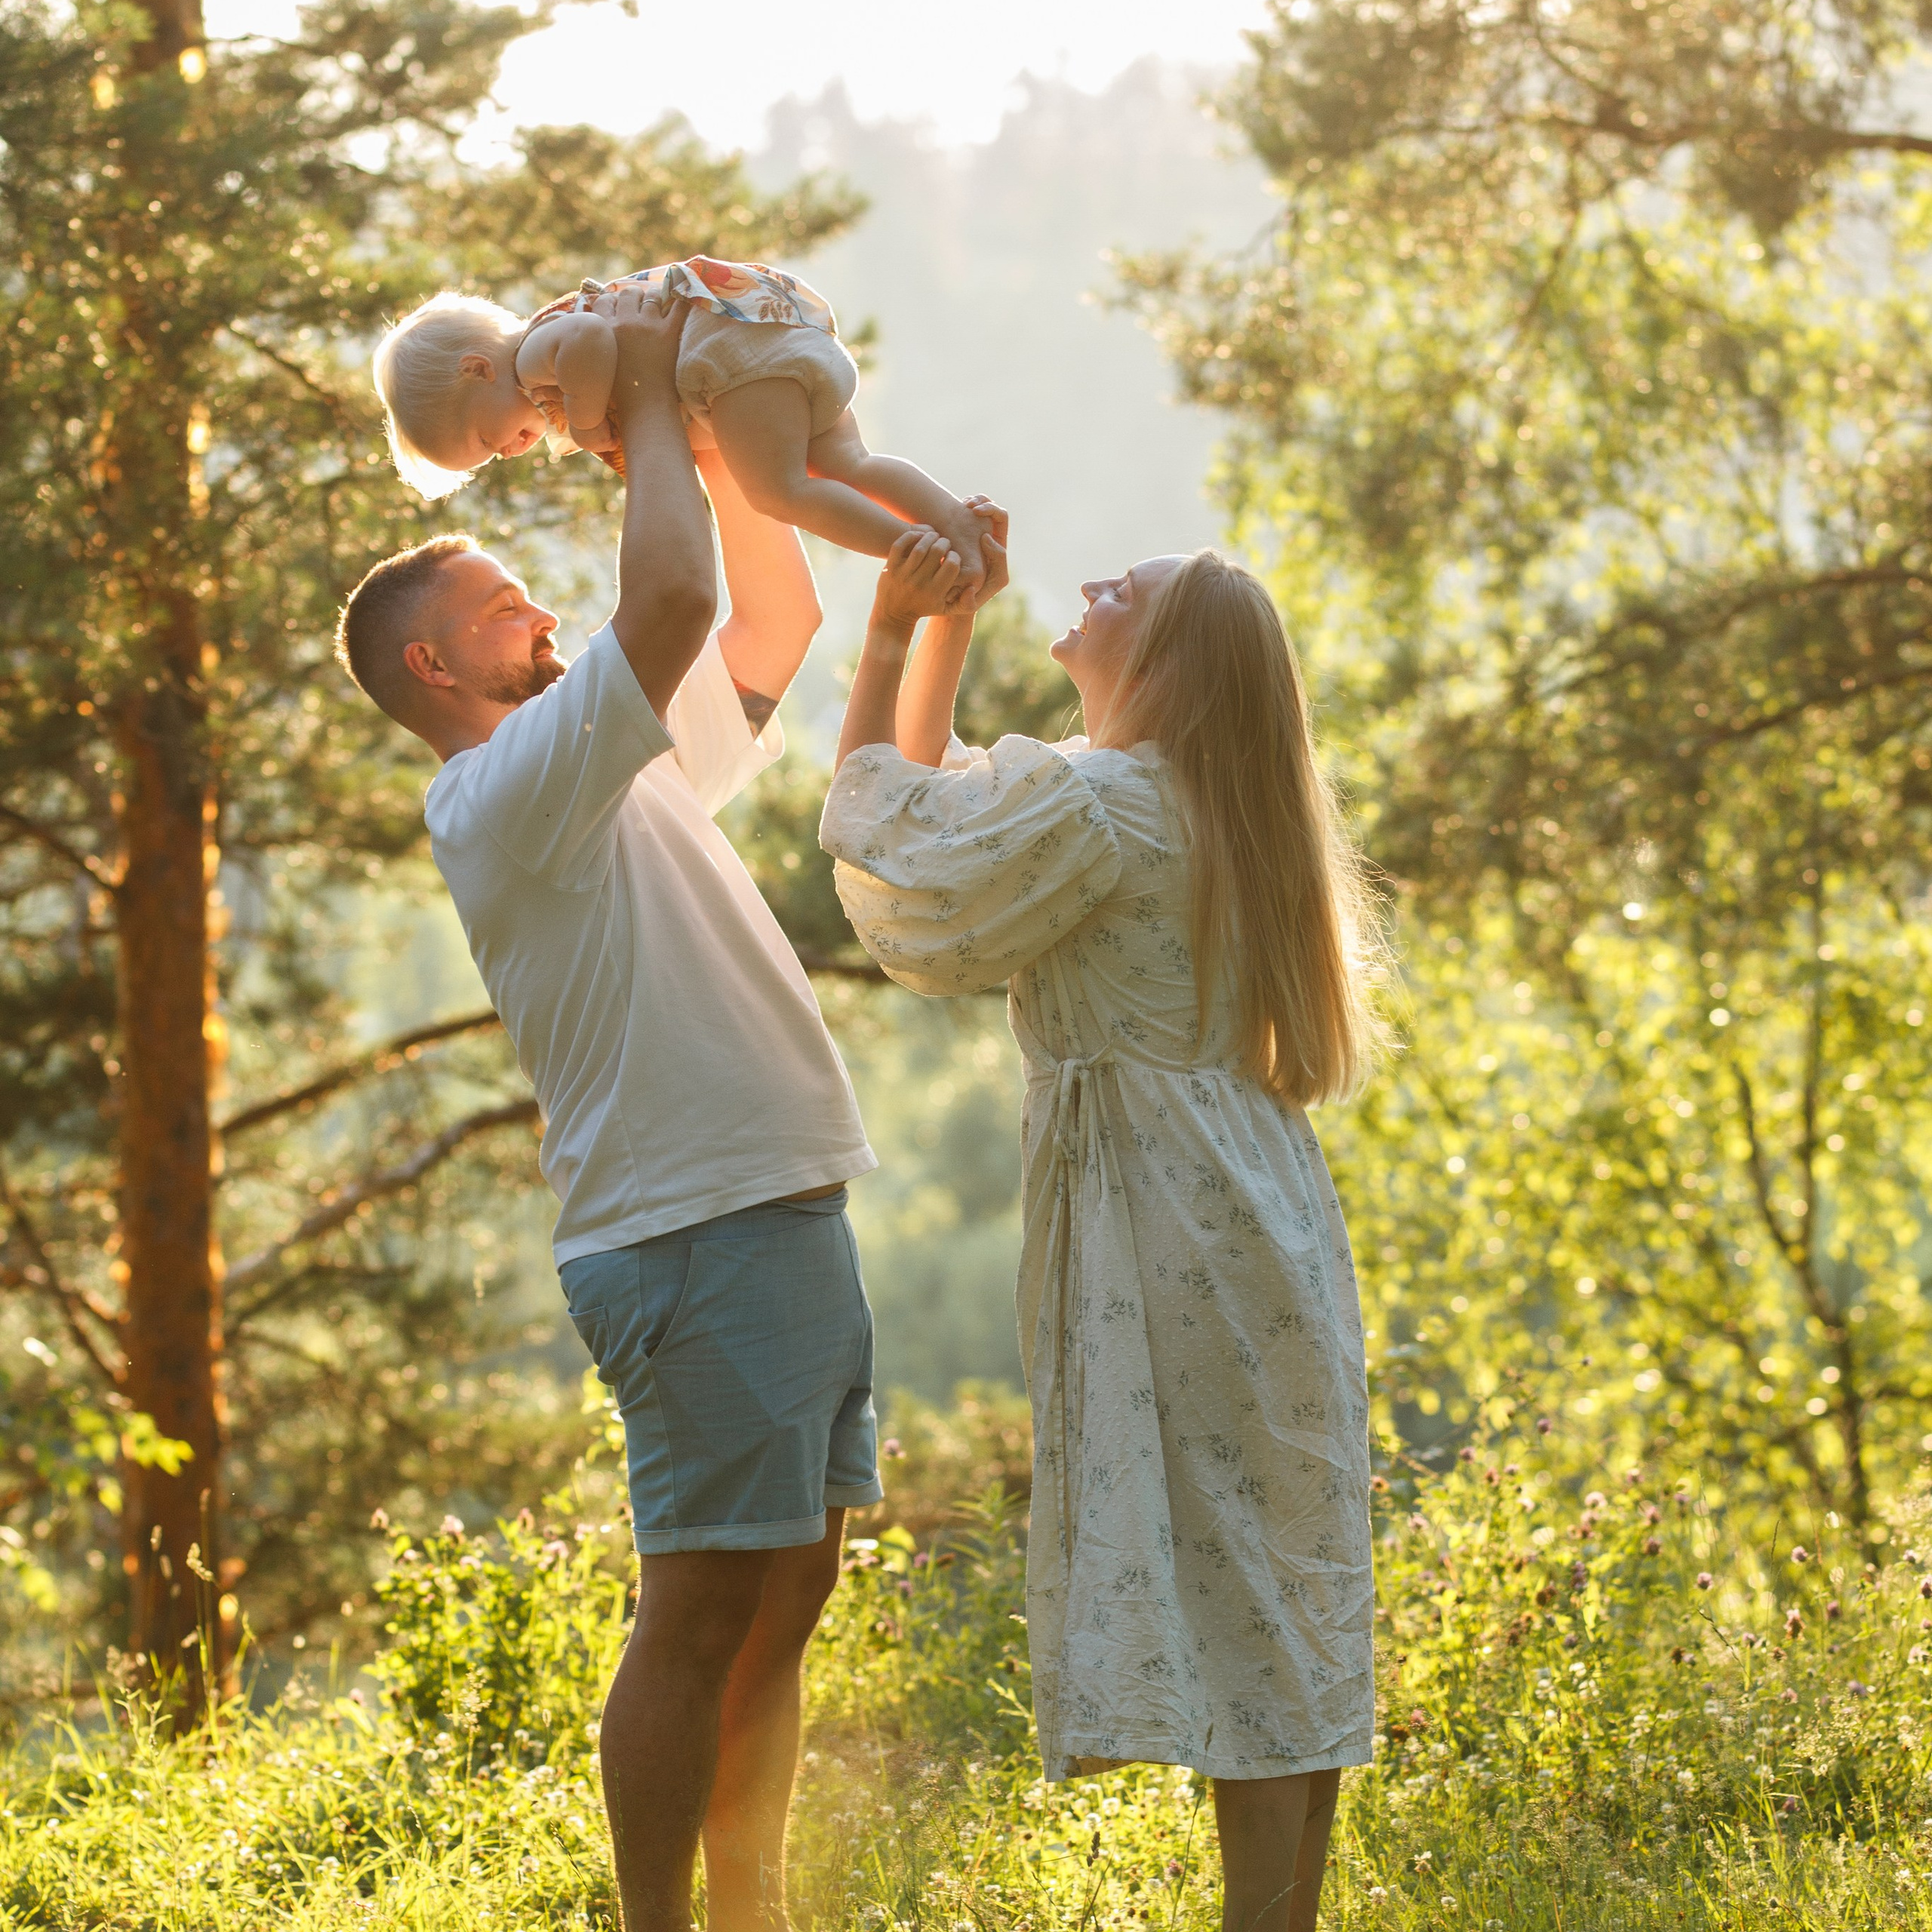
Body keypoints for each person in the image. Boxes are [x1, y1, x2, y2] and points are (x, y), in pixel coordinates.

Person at [336, 282, 881, 1932]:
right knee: (700, 1600)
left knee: (787, 1582)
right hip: (685, 1222)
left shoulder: (613, 757)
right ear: (439, 664)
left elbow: (761, 620)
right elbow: (661, 595)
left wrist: (716, 435)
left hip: (766, 1196)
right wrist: (641, 391)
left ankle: (750, 1906)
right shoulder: (505, 787)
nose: (537, 601)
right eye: (505, 599)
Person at [820, 535, 1385, 1932]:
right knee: (1276, 1581)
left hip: (1169, 1213)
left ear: (1174, 665)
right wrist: (943, 629)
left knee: (1245, 1593)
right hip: (1258, 1203)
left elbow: (897, 839)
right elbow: (950, 787)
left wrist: (889, 634)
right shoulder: (1184, 802)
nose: (1098, 584)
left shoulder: (1106, 805)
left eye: (1134, 588)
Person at [371, 254, 991, 598]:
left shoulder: (533, 355)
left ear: (479, 369)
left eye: (486, 440)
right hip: (771, 330)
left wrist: (588, 423)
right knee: (848, 465)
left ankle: (921, 558)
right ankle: (952, 522)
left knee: (779, 492)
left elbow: (591, 340)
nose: (505, 454)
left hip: (728, 353)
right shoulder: (535, 366)